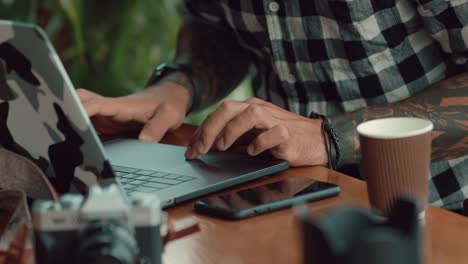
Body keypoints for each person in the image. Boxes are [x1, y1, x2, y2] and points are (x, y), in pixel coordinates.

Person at [78, 1, 468, 210]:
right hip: (287, 204)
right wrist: (177, 87)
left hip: (437, 212)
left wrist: (329, 135)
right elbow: (219, 25)